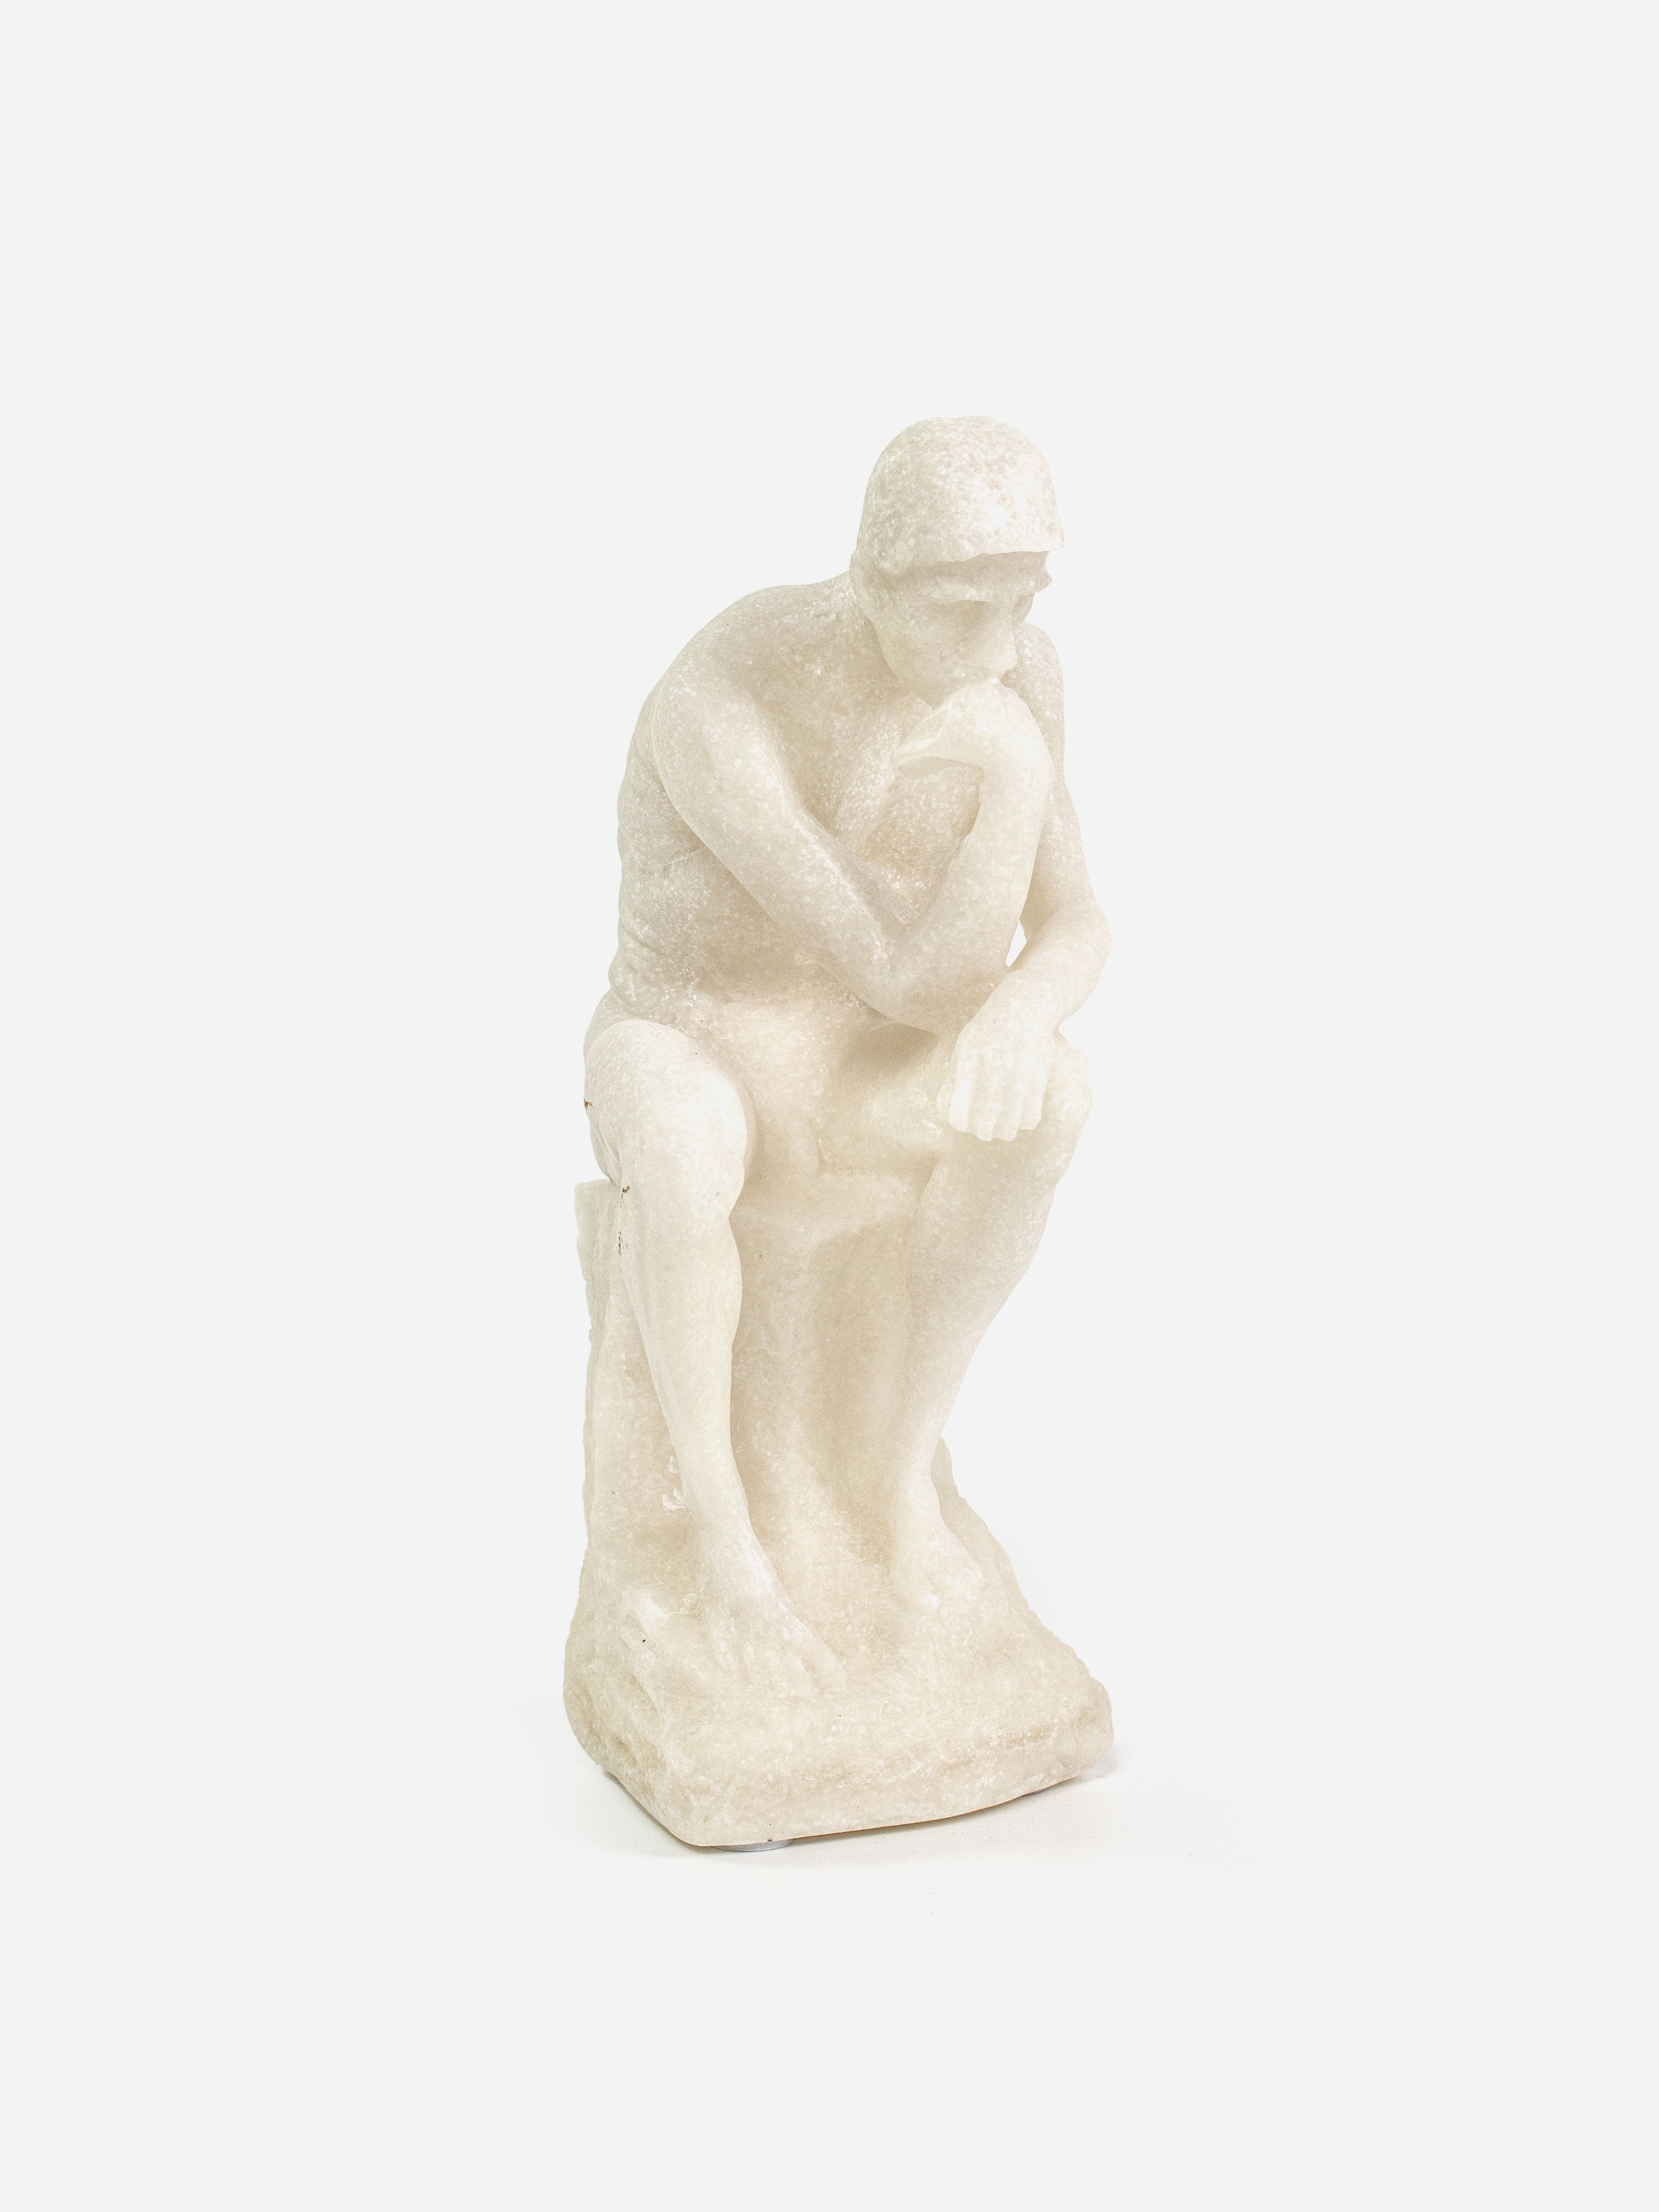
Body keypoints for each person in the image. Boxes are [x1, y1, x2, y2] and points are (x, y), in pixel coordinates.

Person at [583, 418, 1110, 1690]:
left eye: (1022, 604)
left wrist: (1025, 1013)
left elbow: (1080, 921)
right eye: (962, 611)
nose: (998, 649)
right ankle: (727, 1557)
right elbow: (912, 981)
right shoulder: (727, 699)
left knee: (1051, 1097)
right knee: (688, 1150)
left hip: (850, 1066)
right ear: (875, 579)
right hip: (692, 1030)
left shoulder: (1018, 676)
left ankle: (899, 1471)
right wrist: (1010, 790)